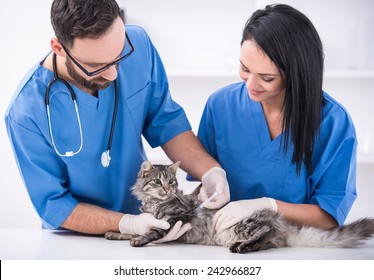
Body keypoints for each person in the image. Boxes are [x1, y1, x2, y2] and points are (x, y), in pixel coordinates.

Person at [4, 0, 229, 241]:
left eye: (119, 56)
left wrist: (210, 172)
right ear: (58, 48)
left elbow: (166, 122)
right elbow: (54, 205)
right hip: (77, 240)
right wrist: (127, 223)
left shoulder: (139, 44)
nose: (113, 74)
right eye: (95, 66)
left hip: (150, 218)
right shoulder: (25, 113)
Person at [195, 4, 357, 233]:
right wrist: (207, 191)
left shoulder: (333, 123)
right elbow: (203, 179)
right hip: (226, 242)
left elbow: (329, 216)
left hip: (294, 247)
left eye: (267, 78)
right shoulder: (220, 105)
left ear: (296, 74)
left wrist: (267, 206)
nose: (250, 85)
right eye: (244, 68)